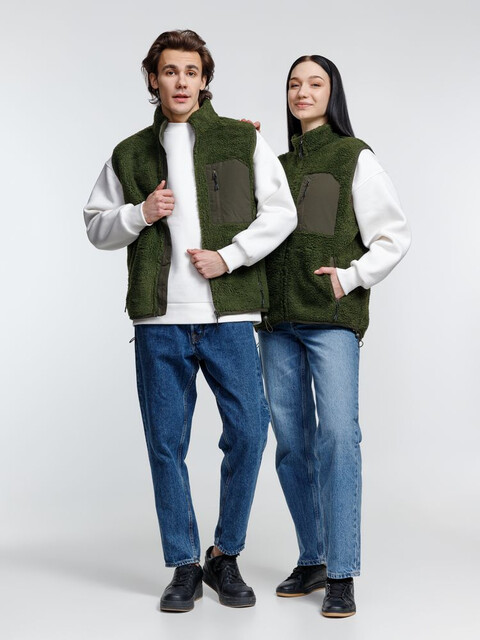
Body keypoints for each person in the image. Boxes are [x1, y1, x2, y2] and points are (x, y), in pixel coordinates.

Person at [83, 29, 297, 612]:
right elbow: (95, 225)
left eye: (191, 71)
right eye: (170, 71)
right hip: (159, 322)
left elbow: (281, 212)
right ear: (153, 80)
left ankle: (224, 555)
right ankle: (183, 564)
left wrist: (230, 257)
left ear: (205, 80)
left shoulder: (241, 138)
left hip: (230, 315)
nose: (181, 81)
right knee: (165, 444)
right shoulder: (129, 152)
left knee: (250, 432)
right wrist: (139, 213)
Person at [257, 55, 411, 618]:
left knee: (339, 438)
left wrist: (350, 277)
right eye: (294, 84)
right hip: (277, 322)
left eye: (315, 83)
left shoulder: (354, 157)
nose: (303, 92)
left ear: (332, 92)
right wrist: (242, 145)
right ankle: (313, 557)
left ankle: (342, 571)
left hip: (330, 320)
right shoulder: (274, 164)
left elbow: (393, 235)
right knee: (292, 444)